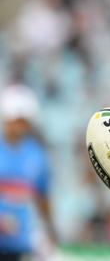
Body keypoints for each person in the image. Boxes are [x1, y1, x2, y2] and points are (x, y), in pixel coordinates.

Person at [0, 84, 58, 261]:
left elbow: (43, 197)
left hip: (19, 242)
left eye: (24, 120)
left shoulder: (37, 155)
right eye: (16, 120)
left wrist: (51, 231)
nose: (20, 125)